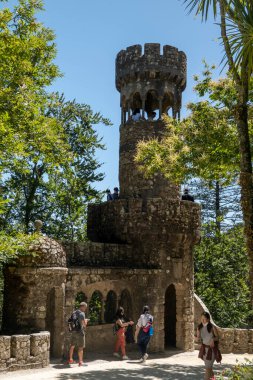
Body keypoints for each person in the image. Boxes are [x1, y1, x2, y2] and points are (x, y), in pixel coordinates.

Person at [196, 311, 221, 380]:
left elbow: (218, 337)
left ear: (208, 319)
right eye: (202, 319)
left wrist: (213, 339)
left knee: (207, 368)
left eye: (204, 319)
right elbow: (198, 339)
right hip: (204, 350)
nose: (203, 320)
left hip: (211, 350)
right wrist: (196, 337)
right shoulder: (199, 327)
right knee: (209, 369)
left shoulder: (212, 327)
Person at [68, 301, 89, 367]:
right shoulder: (82, 314)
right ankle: (80, 362)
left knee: (72, 346)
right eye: (85, 307)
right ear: (82, 306)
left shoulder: (74, 312)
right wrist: (86, 321)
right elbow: (84, 325)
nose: (85, 309)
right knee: (81, 347)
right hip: (80, 332)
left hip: (73, 331)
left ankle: (70, 360)